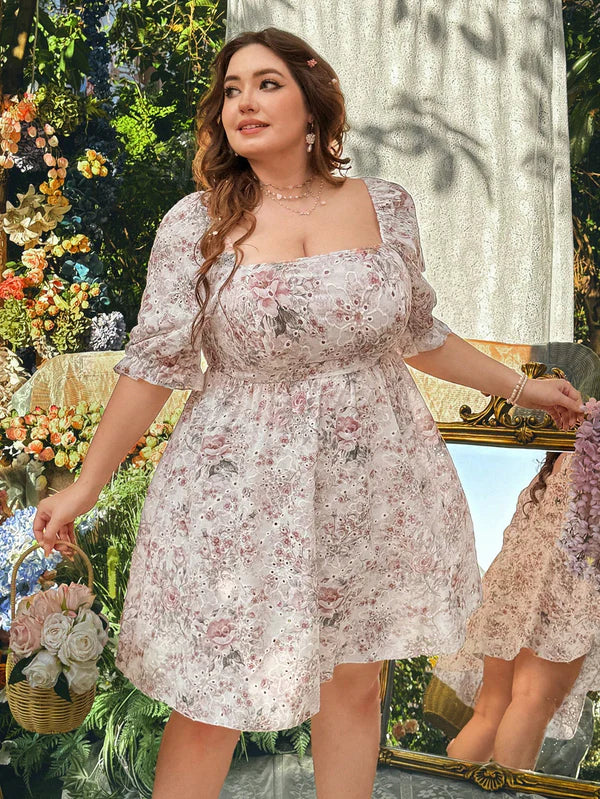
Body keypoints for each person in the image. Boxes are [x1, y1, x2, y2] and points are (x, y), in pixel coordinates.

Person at [32, 27, 585, 799]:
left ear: (312, 101)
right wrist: (87, 484)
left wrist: (523, 389)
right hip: (237, 483)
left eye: (267, 84)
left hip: (369, 479)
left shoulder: (386, 206)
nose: (244, 102)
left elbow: (418, 332)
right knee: (214, 698)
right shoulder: (195, 223)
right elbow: (152, 365)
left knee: (354, 685)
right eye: (231, 90)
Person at [434, 451, 600, 771]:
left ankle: (445, 791)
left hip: (515, 583)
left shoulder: (563, 455)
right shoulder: (589, 452)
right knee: (534, 700)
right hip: (563, 586)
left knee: (492, 711)